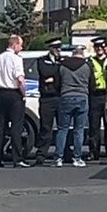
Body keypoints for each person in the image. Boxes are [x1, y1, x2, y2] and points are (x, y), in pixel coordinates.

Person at [0, 35, 29, 168]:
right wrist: (23, 94)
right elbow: (20, 79)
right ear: (15, 44)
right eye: (21, 45)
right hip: (14, 94)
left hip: (1, 93)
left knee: (0, 127)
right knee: (16, 127)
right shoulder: (16, 59)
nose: (21, 48)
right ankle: (17, 159)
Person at [54, 45, 92, 168]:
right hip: (82, 96)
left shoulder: (63, 66)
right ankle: (77, 158)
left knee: (62, 128)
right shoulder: (87, 66)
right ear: (82, 55)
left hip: (66, 96)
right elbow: (92, 84)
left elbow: (57, 83)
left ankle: (58, 158)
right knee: (79, 129)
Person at [34, 37, 63, 166]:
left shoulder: (62, 61)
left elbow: (61, 76)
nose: (58, 50)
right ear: (50, 48)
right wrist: (56, 75)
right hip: (47, 98)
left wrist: (54, 78)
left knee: (63, 127)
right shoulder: (42, 60)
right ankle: (41, 154)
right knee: (46, 127)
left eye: (59, 48)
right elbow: (45, 73)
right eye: (56, 48)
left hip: (60, 97)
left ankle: (64, 152)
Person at [87, 36, 107, 160]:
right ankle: (94, 152)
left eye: (101, 47)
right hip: (94, 96)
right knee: (94, 126)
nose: (99, 49)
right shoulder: (90, 61)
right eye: (97, 47)